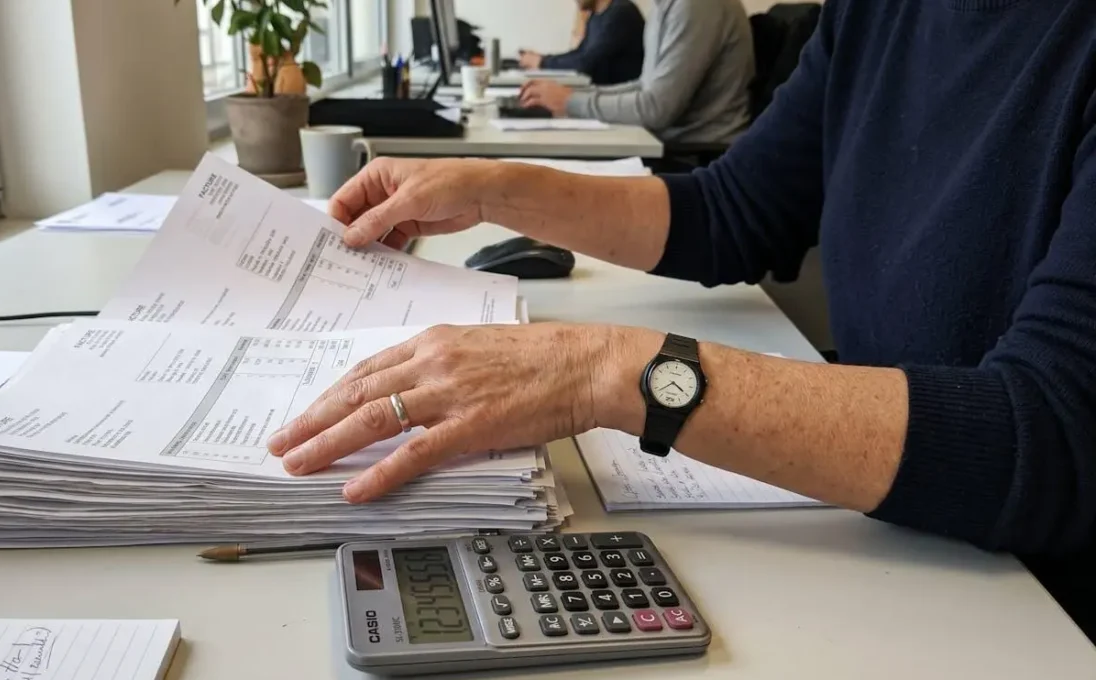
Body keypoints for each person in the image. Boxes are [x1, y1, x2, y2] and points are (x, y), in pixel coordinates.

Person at [267, 0, 1096, 642]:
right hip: (898, 546)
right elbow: (736, 211)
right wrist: (492, 187)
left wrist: (603, 371)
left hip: (1028, 601)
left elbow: (1053, 436)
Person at [521, 0, 755, 146]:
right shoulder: (663, 7)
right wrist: (573, 95)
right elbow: (644, 86)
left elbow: (657, 109)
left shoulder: (697, 5)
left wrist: (570, 102)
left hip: (697, 157)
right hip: (668, 144)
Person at [518, 0, 645, 87]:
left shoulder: (622, 13)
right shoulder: (595, 17)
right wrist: (542, 59)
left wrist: (542, 62)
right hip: (602, 99)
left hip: (619, 107)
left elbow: (586, 64)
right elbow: (580, 54)